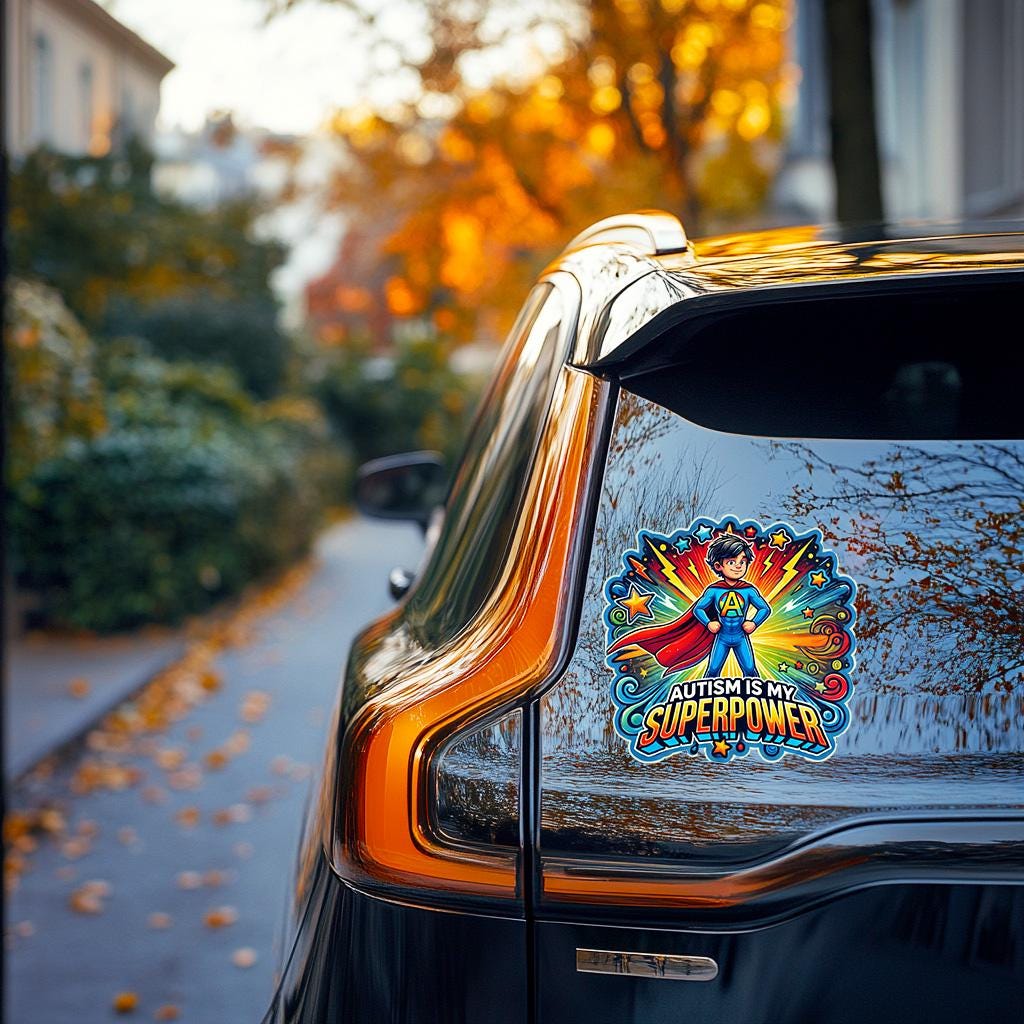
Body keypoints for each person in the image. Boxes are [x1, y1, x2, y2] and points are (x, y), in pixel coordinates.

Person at [608, 535, 771, 678]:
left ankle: (758, 700)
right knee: (713, 671)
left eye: (743, 562)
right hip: (721, 637)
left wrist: (754, 622)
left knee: (750, 670)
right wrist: (708, 623)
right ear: (718, 566)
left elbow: (765, 608)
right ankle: (707, 700)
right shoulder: (714, 590)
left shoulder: (748, 590)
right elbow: (698, 609)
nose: (738, 566)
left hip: (741, 636)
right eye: (731, 562)